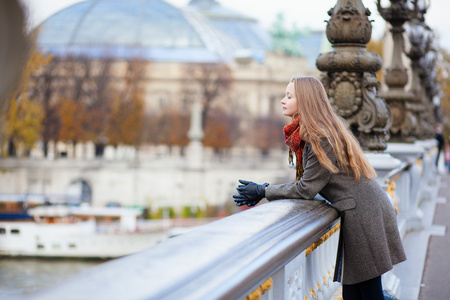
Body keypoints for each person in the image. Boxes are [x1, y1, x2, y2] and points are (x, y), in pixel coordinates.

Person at [233, 77, 406, 300]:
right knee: (354, 294)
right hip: (363, 210)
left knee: (369, 295)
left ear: (305, 101)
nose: (283, 101)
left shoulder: (319, 136)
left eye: (289, 96)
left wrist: (263, 191)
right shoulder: (319, 130)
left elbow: (306, 187)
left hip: (363, 215)